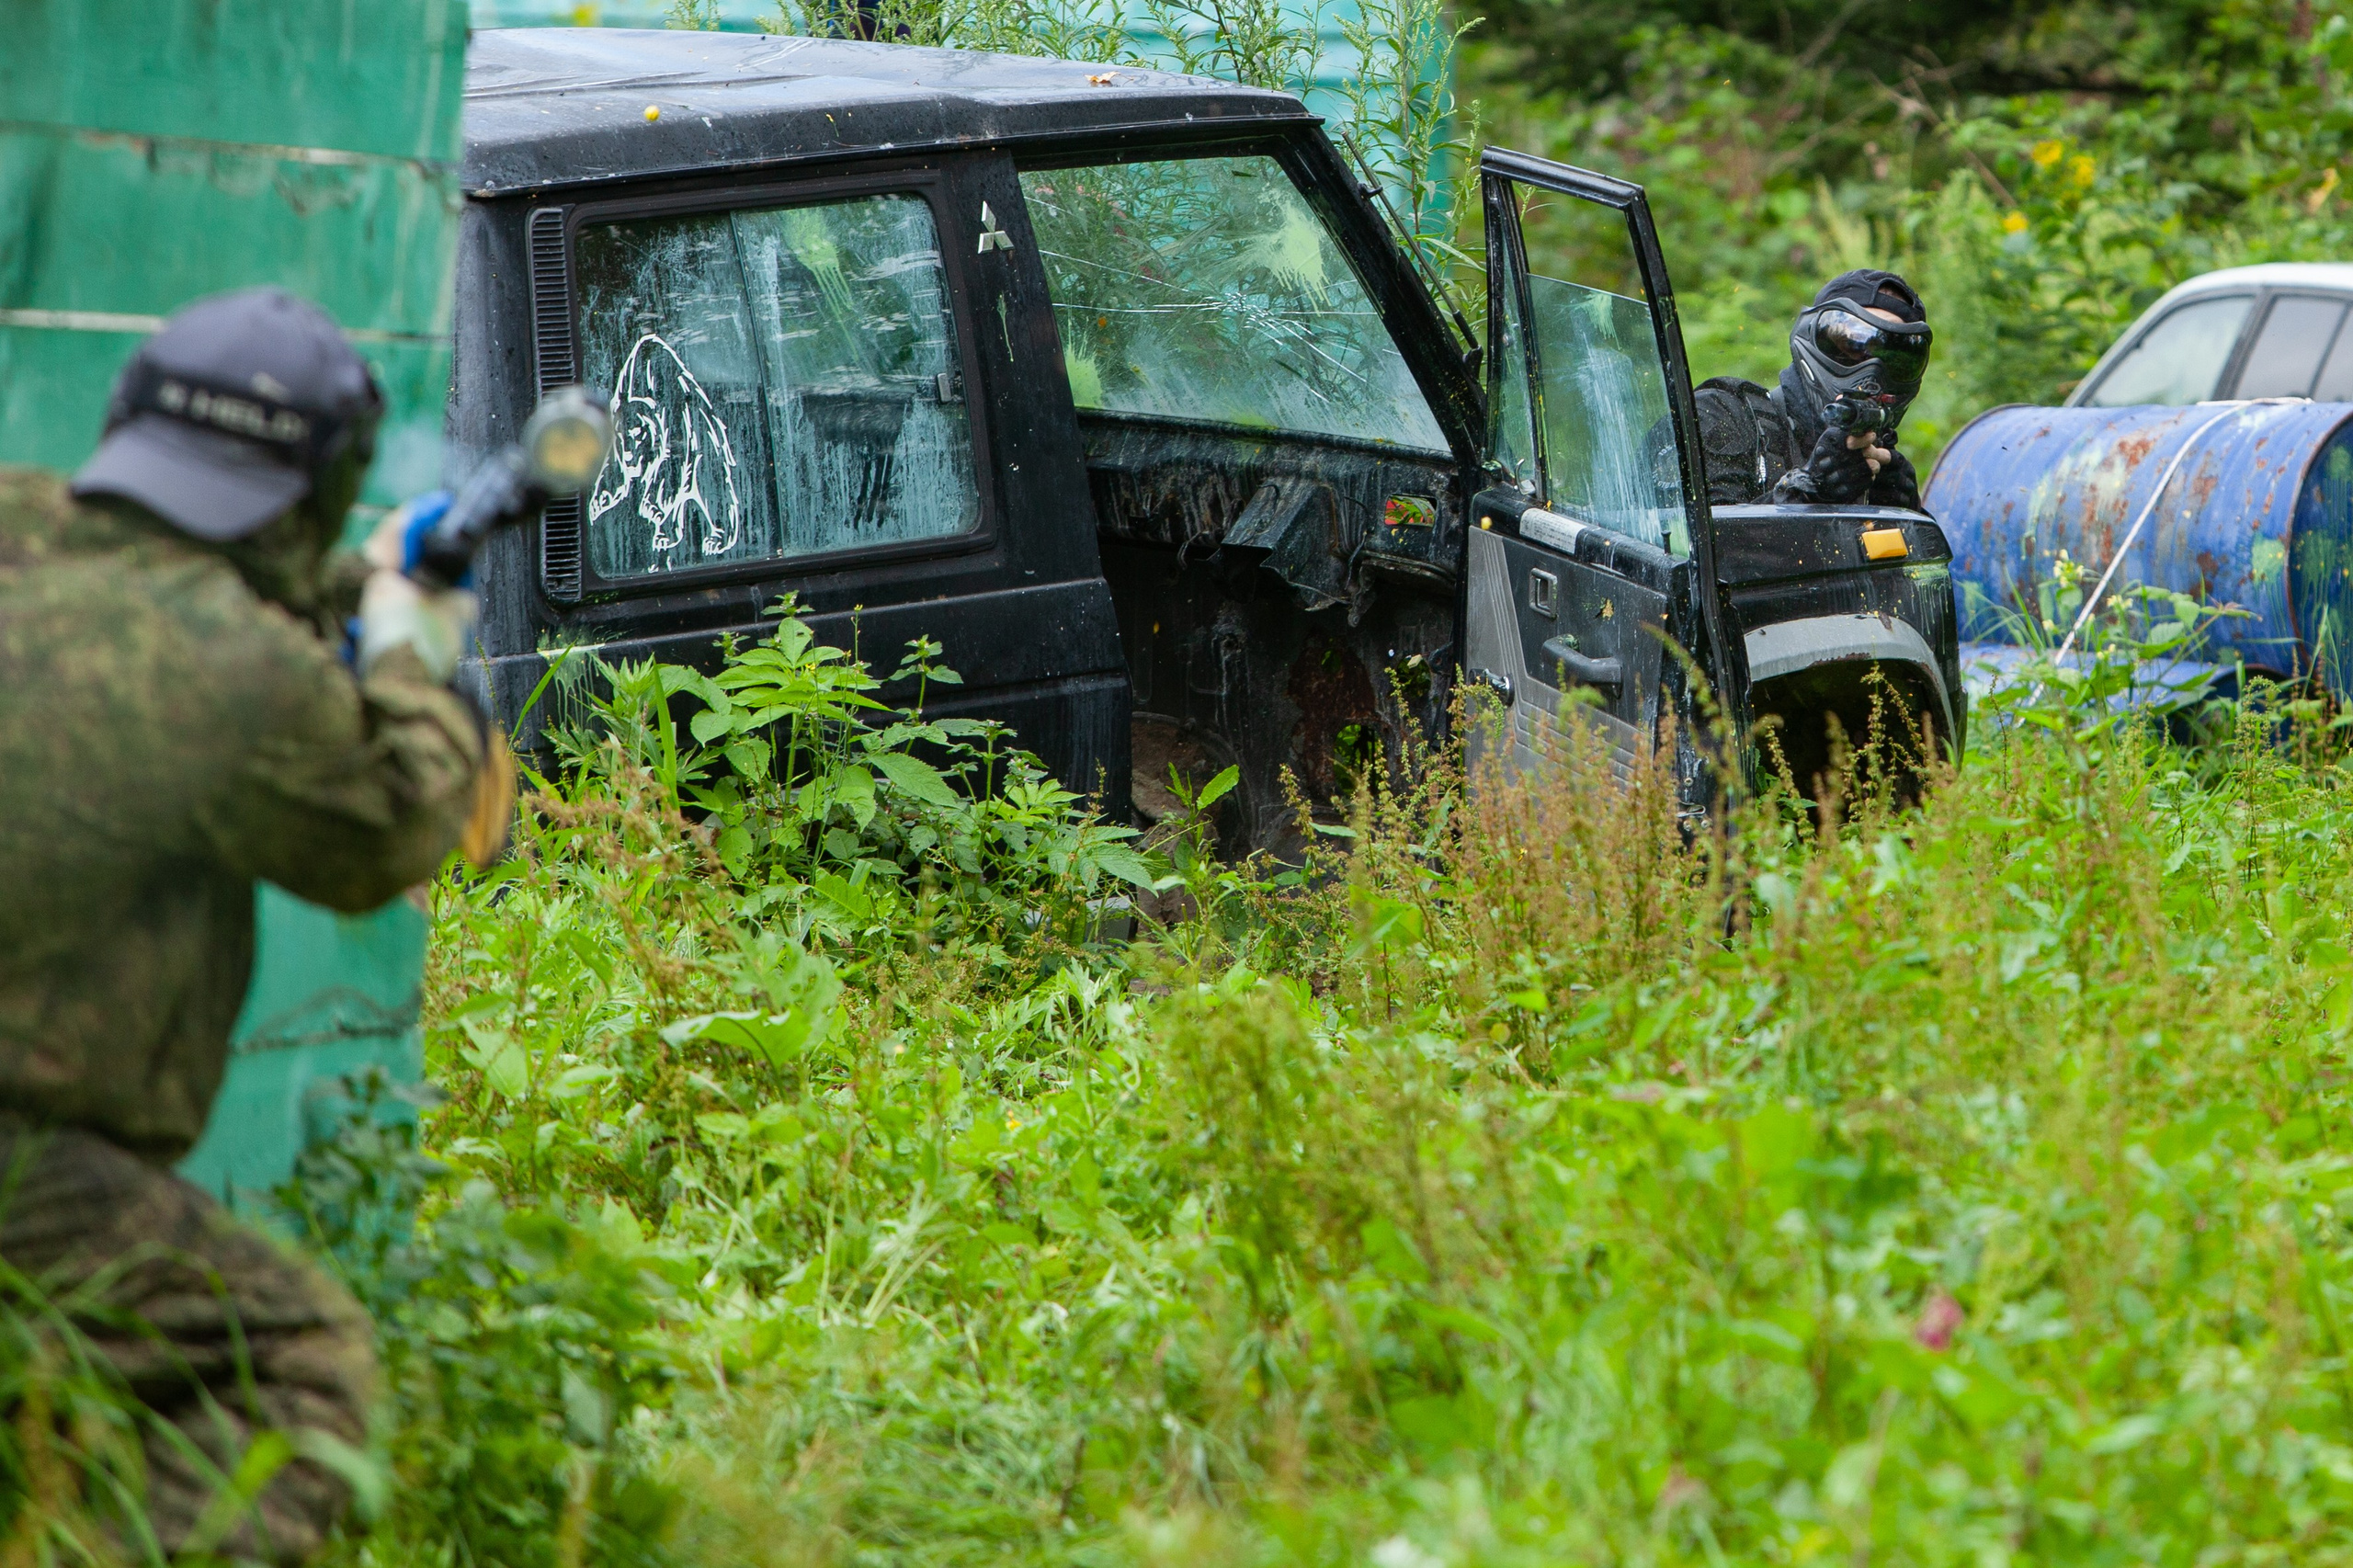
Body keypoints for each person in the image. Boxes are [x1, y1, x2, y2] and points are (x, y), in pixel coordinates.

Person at [0, 289, 488, 1562]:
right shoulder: (230, 673)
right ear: (316, 491)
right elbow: (390, 827)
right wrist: (407, 654)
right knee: (292, 1366)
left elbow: (161, 580)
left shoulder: (20, 527)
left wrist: (355, 580)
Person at [1693, 268, 1934, 509]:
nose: (1871, 372)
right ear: (1810, 336)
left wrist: (1907, 516)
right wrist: (1805, 493)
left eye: (1895, 357)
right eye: (1852, 345)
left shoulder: (1876, 466)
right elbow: (1695, 540)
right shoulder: (1723, 418)